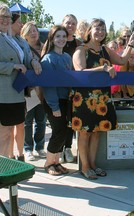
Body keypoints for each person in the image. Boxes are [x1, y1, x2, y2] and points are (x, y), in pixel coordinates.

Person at [70, 18, 134, 180]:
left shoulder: (105, 50)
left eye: (103, 29)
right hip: (85, 99)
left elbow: (121, 60)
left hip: (102, 99)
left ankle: (92, 164)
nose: (100, 32)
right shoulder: (81, 49)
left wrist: (130, 45)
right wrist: (103, 68)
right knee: (85, 133)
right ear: (89, 31)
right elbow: (80, 71)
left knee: (97, 132)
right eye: (97, 28)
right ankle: (85, 167)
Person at [0, 6, 41, 159]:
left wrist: (33, 62)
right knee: (4, 133)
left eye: (7, 17)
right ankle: (3, 172)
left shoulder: (12, 38)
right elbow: (14, 63)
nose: (5, 20)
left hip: (16, 92)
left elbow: (24, 56)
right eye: (1, 16)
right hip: (3, 93)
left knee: (10, 132)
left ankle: (9, 164)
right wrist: (13, 66)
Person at [41, 25, 72, 175]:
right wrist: (54, 107)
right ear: (52, 39)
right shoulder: (48, 59)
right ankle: (48, 163)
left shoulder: (67, 57)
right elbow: (48, 86)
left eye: (64, 36)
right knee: (58, 131)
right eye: (58, 36)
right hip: (54, 101)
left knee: (65, 131)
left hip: (66, 100)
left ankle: (57, 162)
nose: (61, 39)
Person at [20, 21, 47, 161]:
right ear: (24, 34)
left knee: (41, 120)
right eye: (30, 30)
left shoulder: (44, 48)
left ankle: (40, 147)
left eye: (35, 30)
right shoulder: (22, 49)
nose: (33, 33)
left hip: (42, 90)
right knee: (28, 121)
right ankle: (28, 149)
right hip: (28, 90)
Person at [60, 14, 82, 163]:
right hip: (58, 87)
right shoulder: (56, 40)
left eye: (73, 23)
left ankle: (67, 148)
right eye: (68, 23)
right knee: (59, 120)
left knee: (70, 118)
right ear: (63, 23)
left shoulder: (79, 43)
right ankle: (58, 148)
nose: (70, 26)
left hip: (74, 87)